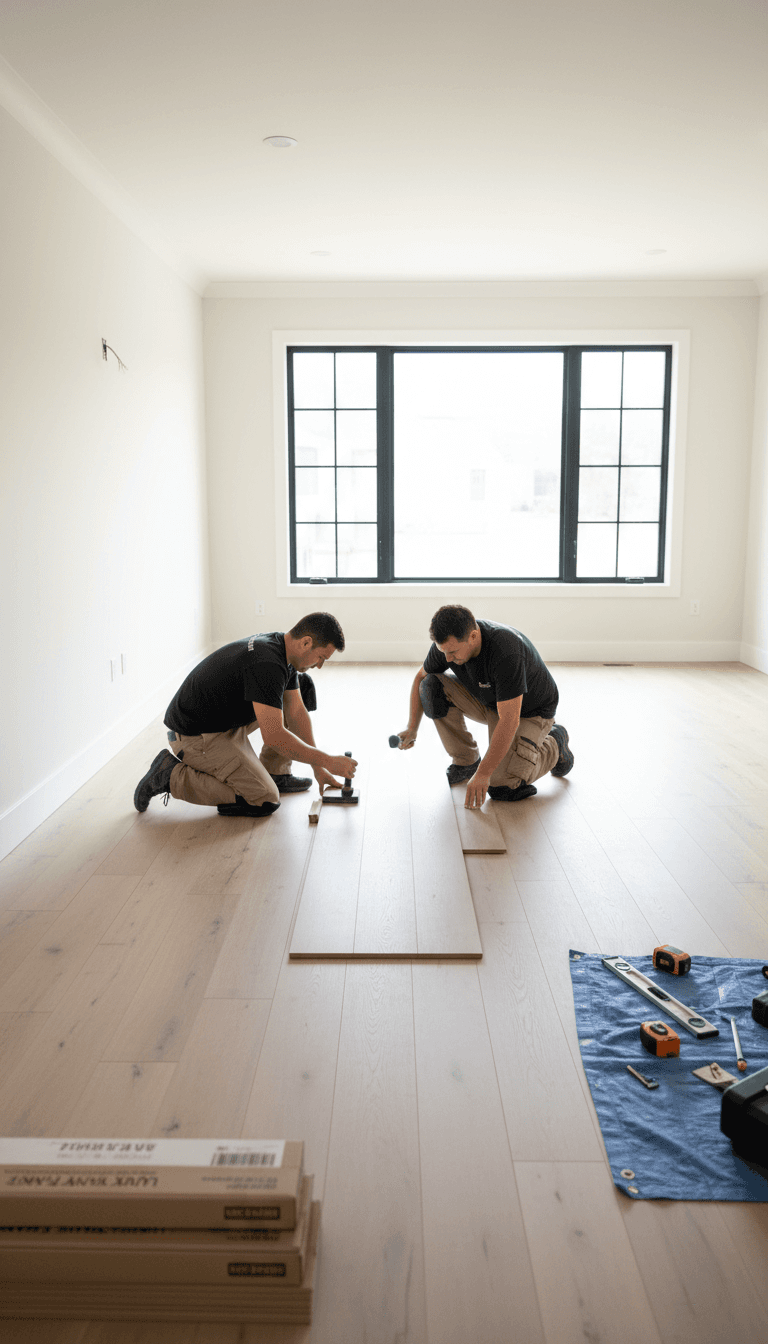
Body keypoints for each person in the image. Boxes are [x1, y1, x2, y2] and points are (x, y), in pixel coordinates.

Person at [133, 613, 356, 818]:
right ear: (306, 642)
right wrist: (327, 760)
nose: (319, 665)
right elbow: (274, 736)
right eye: (320, 657)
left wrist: (319, 767)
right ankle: (169, 775)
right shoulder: (267, 664)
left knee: (302, 687)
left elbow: (296, 712)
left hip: (221, 719)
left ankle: (276, 773)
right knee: (264, 800)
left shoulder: (281, 649)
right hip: (195, 736)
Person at [396, 604, 573, 809]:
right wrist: (412, 728)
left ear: (473, 636)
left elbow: (509, 720)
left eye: (452, 652)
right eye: (443, 651)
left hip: (529, 712)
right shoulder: (447, 646)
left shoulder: (506, 651)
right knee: (430, 686)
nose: (447, 659)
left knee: (502, 786)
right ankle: (466, 759)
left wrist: (483, 774)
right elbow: (420, 677)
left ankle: (555, 743)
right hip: (489, 700)